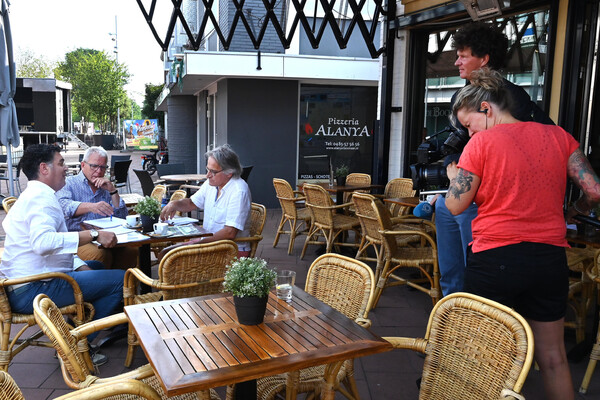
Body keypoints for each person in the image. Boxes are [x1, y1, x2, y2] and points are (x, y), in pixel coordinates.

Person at [444, 68, 600, 400]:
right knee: (554, 358)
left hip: (495, 258)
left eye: (469, 125)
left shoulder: (483, 143)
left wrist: (454, 176)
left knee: (483, 357)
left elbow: (455, 206)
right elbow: (595, 191)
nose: (470, 134)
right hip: (549, 260)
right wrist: (575, 211)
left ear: (486, 109)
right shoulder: (558, 136)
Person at [435, 22, 554, 296]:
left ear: (484, 59)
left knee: (476, 274)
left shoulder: (513, 97)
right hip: (455, 195)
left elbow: (536, 145)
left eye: (463, 55)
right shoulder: (461, 95)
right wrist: (452, 169)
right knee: (451, 273)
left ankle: (478, 327)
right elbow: (457, 145)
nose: (457, 62)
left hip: (484, 202)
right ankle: (451, 319)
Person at [0, 144, 125, 359]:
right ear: (44, 168)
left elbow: (53, 251)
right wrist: (94, 236)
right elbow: (43, 243)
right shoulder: (42, 199)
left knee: (95, 266)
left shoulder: (33, 195)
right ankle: (75, 342)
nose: (66, 168)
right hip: (34, 289)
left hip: (21, 284)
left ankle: (73, 327)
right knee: (122, 279)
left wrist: (80, 264)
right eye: (61, 163)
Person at [159, 144, 252, 257]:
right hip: (211, 244)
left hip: (230, 249)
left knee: (170, 255)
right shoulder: (212, 184)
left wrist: (198, 244)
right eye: (207, 169)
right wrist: (175, 204)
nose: (207, 175)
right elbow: (192, 203)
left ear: (229, 173)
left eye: (213, 171)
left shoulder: (238, 191)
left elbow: (229, 233)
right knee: (167, 253)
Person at [56, 146, 137, 269]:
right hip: (80, 239)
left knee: (132, 250)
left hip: (108, 235)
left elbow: (122, 217)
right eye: (94, 166)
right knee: (101, 254)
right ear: (83, 165)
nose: (99, 171)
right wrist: (91, 207)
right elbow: (64, 207)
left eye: (103, 167)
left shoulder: (105, 187)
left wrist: (113, 191)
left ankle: (123, 286)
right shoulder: (69, 183)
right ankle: (103, 286)